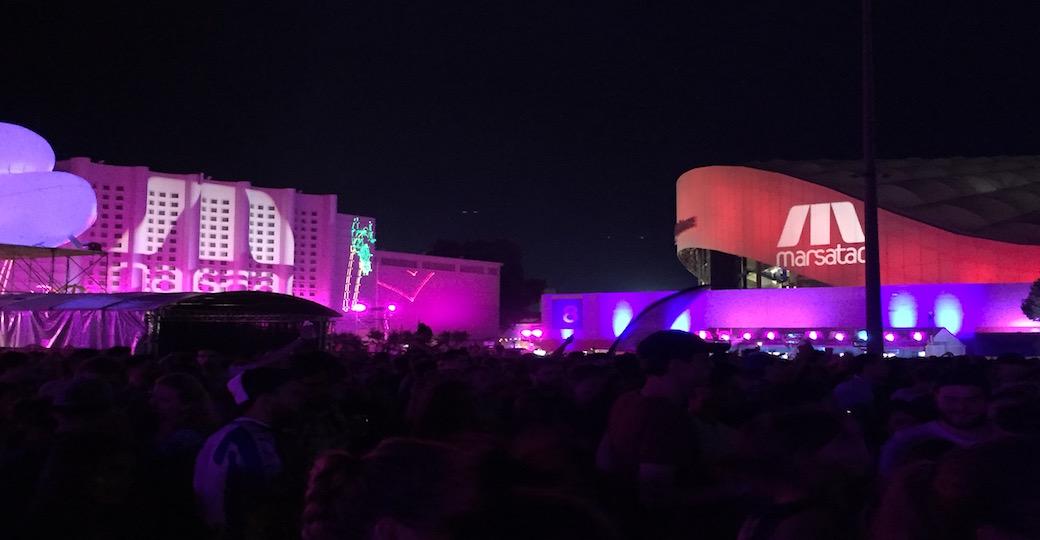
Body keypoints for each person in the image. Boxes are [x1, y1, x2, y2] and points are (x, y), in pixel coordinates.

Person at [597, 330, 715, 507]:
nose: (710, 367)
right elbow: (655, 496)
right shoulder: (665, 416)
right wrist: (734, 491)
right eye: (703, 361)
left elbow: (603, 461)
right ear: (676, 366)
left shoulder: (626, 400)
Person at [194, 367, 306, 540]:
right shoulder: (257, 444)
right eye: (294, 394)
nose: (300, 402)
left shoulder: (221, 435)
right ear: (266, 400)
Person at [879, 368, 995, 476]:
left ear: (987, 400)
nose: (961, 407)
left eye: (972, 400)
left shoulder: (1004, 439)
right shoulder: (906, 441)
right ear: (935, 397)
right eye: (951, 400)